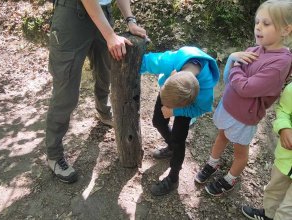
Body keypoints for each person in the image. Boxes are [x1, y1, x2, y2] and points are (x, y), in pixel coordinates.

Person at [195, 0, 292, 197]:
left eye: (266, 23)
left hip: (245, 116)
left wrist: (235, 66)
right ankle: (212, 163)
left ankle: (230, 178)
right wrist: (234, 60)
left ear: (285, 30)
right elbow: (232, 77)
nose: (258, 27)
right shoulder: (255, 49)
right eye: (257, 22)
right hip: (229, 106)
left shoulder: (281, 62)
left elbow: (246, 88)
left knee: (240, 150)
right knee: (221, 135)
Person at [46, 0, 147, 183]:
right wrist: (110, 35)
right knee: (66, 93)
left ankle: (103, 112)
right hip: (71, 17)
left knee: (105, 74)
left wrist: (130, 19)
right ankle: (54, 155)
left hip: (103, 14)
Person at [140, 46, 219, 196]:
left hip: (185, 106)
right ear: (172, 74)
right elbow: (146, 62)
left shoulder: (205, 94)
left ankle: (173, 178)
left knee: (178, 139)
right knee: (158, 121)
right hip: (169, 91)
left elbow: (199, 110)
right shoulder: (170, 61)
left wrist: (175, 111)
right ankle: (170, 147)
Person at [242, 82, 292, 220]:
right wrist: (284, 127)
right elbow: (283, 110)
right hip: (286, 160)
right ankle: (268, 214)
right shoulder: (291, 89)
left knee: (288, 210)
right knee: (274, 189)